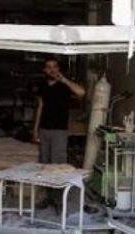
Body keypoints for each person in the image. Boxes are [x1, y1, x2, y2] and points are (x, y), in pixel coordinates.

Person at [33, 57, 86, 209]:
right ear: (44, 70)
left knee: (58, 165)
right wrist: (35, 129)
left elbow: (81, 93)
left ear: (59, 69)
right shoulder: (42, 85)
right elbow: (40, 107)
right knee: (45, 164)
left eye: (54, 67)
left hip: (59, 131)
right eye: (48, 67)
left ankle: (58, 199)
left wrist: (63, 79)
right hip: (44, 129)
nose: (52, 70)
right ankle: (48, 197)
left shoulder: (64, 85)